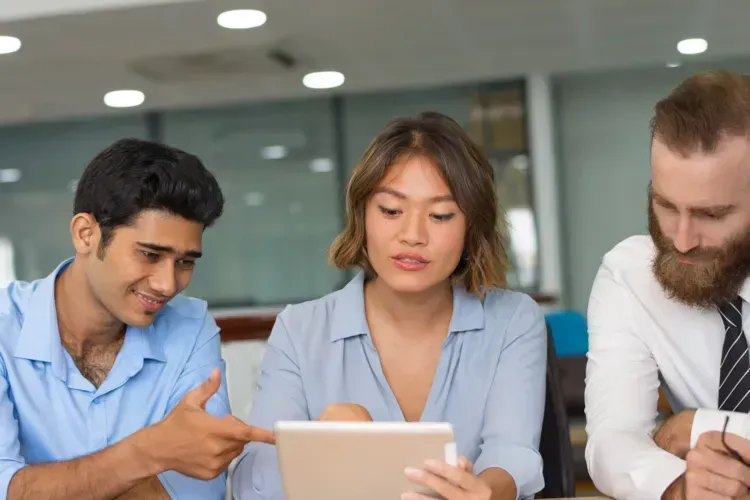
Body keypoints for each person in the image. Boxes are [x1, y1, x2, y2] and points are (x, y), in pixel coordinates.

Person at [232, 112, 547, 500]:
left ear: (471, 227)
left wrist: (481, 492)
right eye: (391, 211)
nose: (412, 235)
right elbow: (251, 485)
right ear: (362, 215)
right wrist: (315, 451)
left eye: (440, 215)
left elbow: (513, 454)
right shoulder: (300, 330)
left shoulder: (513, 320)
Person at [0, 138, 274, 500]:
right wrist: (150, 452)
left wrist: (50, 484)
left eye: (185, 262)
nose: (167, 284)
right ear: (86, 234)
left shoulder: (191, 329)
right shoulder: (5, 327)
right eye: (149, 254)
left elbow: (196, 493)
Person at [585, 70, 750, 500]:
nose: (681, 239)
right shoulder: (629, 276)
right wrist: (678, 486)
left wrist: (700, 425)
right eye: (664, 205)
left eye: (711, 215)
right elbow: (611, 441)